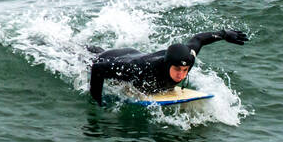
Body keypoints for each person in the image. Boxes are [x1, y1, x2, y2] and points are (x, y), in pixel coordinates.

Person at [86, 30, 248, 105]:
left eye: (185, 70)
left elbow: (198, 39)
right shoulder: (142, 69)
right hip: (117, 58)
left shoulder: (187, 58)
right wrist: (97, 102)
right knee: (88, 58)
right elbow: (98, 69)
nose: (181, 75)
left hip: (135, 54)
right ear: (167, 64)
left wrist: (224, 34)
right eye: (177, 70)